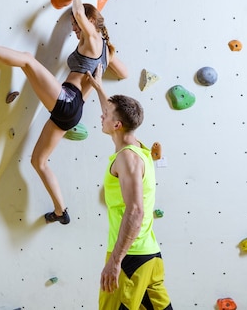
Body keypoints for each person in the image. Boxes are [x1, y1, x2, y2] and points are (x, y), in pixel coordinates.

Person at [0, 0, 128, 225]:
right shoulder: (107, 51)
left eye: (76, 27)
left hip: (68, 101)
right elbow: (125, 73)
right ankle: (61, 212)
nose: (75, 31)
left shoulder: (94, 41)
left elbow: (79, 13)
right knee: (38, 161)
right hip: (72, 111)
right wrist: (105, 70)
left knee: (28, 61)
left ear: (89, 21)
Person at [86, 64, 173, 310]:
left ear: (117, 125)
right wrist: (99, 87)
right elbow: (112, 112)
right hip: (150, 256)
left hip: (129, 258)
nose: (102, 116)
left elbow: (135, 211)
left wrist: (115, 261)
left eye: (107, 115)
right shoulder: (139, 149)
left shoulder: (127, 158)